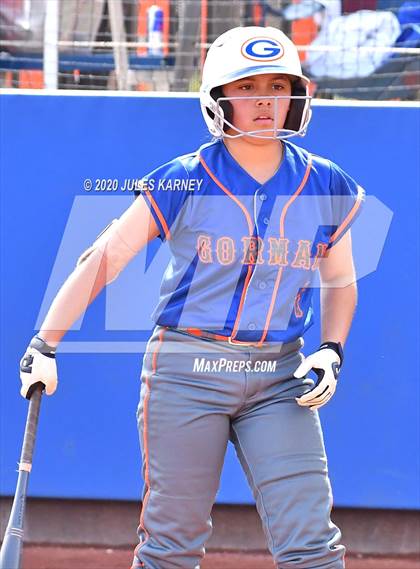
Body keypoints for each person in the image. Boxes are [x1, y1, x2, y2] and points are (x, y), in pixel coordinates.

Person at [19, 26, 365, 569]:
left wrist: (332, 349)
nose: (265, 100)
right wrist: (46, 342)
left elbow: (341, 282)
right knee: (171, 546)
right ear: (217, 98)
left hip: (281, 375)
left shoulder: (327, 183)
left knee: (313, 545)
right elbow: (105, 258)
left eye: (278, 85)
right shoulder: (184, 178)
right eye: (247, 87)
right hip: (186, 370)